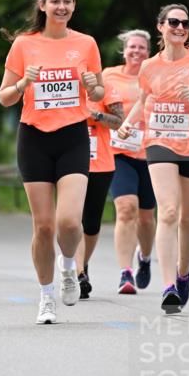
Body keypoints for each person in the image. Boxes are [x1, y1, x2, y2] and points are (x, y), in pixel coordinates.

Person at [0, 0, 104, 325]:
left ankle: (70, 266)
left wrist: (93, 86)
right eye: (55, 1)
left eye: (67, 1)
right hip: (34, 138)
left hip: (73, 134)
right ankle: (46, 296)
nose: (62, 7)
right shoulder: (24, 44)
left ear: (74, 6)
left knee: (70, 221)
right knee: (43, 227)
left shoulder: (86, 43)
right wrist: (23, 82)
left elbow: (99, 94)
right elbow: (4, 97)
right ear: (42, 5)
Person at [116, 4, 189, 313]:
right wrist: (128, 123)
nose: (180, 27)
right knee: (169, 211)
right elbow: (145, 100)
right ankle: (168, 286)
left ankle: (184, 272)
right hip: (159, 142)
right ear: (160, 26)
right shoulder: (149, 66)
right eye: (173, 22)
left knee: (187, 216)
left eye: (185, 23)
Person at [104, 30, 157, 294]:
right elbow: (95, 105)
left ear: (149, 52)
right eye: (132, 47)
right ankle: (125, 273)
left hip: (151, 154)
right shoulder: (109, 75)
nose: (137, 51)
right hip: (119, 152)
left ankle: (144, 259)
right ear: (124, 50)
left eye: (142, 48)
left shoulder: (157, 75)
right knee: (126, 208)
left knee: (147, 218)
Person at [76, 90, 123, 298]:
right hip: (70, 164)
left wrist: (95, 115)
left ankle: (83, 264)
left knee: (92, 223)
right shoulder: (64, 83)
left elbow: (118, 122)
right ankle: (77, 272)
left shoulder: (104, 90)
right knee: (72, 219)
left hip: (100, 164)